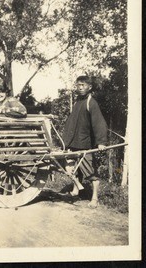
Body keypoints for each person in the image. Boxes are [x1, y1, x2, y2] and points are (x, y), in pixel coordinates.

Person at [62, 75, 108, 208]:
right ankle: (76, 190)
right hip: (73, 142)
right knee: (72, 169)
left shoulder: (91, 103)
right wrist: (65, 142)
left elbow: (99, 123)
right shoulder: (77, 102)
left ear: (90, 87)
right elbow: (70, 124)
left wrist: (101, 142)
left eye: (83, 85)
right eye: (78, 85)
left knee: (90, 170)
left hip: (85, 144)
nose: (80, 87)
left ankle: (95, 198)